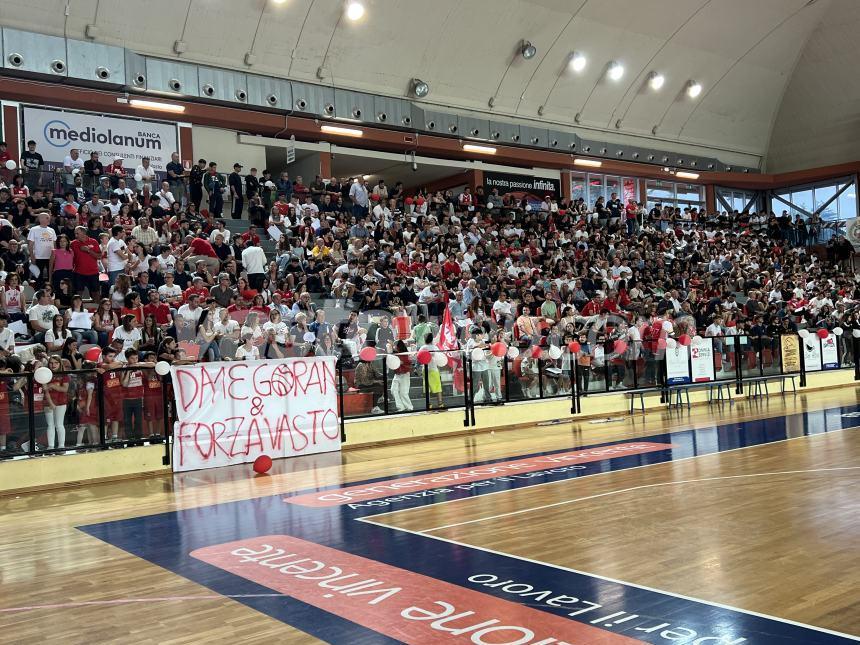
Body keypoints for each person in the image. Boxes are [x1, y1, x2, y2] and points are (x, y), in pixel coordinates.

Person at [43, 355, 70, 451]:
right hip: (48, 402)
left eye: (56, 362)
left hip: (61, 402)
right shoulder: (45, 374)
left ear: (60, 363)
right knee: (50, 425)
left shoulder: (64, 375)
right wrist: (50, 402)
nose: (53, 365)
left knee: (59, 424)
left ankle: (61, 446)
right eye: (51, 362)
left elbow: (65, 389)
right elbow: (45, 390)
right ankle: (51, 446)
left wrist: (52, 385)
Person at [27, 213, 57, 288]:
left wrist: (55, 256)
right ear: (41, 219)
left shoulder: (52, 230)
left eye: (49, 217)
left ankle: (50, 292)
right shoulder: (33, 229)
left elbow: (54, 244)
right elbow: (30, 244)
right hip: (38, 257)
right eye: (47, 217)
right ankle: (38, 293)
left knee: (50, 277)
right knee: (38, 277)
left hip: (50, 257)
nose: (49, 219)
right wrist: (32, 256)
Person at [419, 333, 444, 409]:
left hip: (425, 369)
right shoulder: (435, 347)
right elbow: (440, 358)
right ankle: (440, 404)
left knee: (427, 387)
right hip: (434, 369)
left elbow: (418, 357)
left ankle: (428, 404)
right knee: (438, 386)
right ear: (432, 339)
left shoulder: (423, 348)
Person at [390, 339, 413, 412]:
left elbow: (409, 363)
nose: (394, 347)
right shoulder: (394, 354)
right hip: (397, 375)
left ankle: (409, 407)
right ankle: (400, 407)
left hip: (404, 374)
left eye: (395, 345)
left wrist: (402, 362)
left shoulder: (405, 354)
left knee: (403, 392)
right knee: (393, 390)